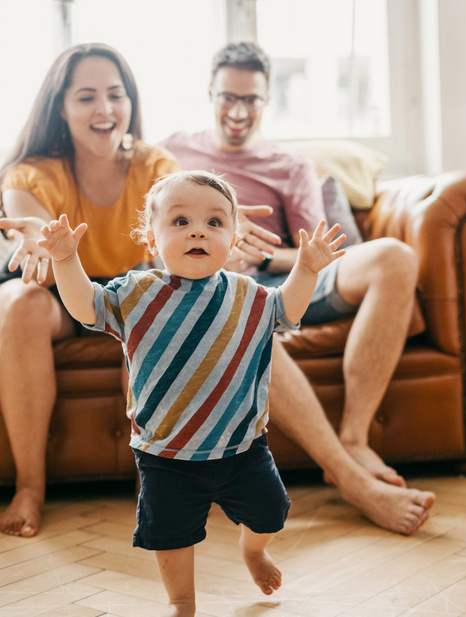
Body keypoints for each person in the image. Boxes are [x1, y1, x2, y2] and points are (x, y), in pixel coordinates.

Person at [0, 41, 297, 539]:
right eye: (86, 96)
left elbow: (190, 215)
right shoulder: (34, 169)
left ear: (131, 103)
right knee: (18, 301)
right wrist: (25, 235)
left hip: (135, 291)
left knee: (160, 306)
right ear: (61, 107)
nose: (105, 109)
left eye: (116, 94)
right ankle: (30, 486)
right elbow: (24, 221)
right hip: (61, 288)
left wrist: (222, 226)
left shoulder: (153, 164)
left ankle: (160, 483)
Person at [37, 169, 346, 614]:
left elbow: (288, 310)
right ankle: (181, 601)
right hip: (166, 453)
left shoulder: (251, 295)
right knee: (172, 535)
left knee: (270, 514)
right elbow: (86, 306)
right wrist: (67, 261)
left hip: (243, 447)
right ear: (150, 239)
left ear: (233, 237)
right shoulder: (135, 293)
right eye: (180, 221)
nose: (198, 230)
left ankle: (253, 551)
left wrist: (307, 267)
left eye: (215, 223)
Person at [159, 41, 436, 535]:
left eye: (251, 100)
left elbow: (320, 248)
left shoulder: (290, 165)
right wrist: (219, 250)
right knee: (242, 310)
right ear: (209, 94)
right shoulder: (173, 152)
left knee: (395, 256)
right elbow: (154, 233)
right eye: (228, 97)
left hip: (287, 276)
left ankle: (353, 437)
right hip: (220, 287)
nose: (239, 111)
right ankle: (351, 480)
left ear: (266, 101)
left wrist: (261, 252)